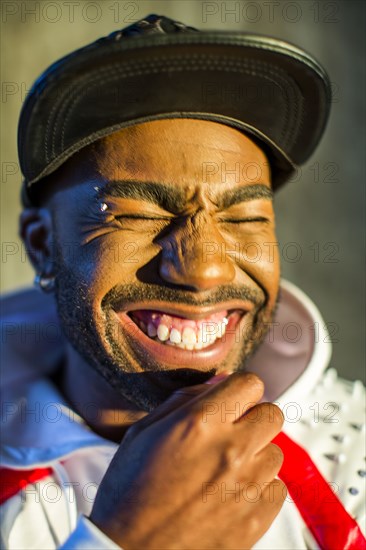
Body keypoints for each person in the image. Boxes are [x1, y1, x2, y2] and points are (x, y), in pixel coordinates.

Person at [1, 13, 365, 550]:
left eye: (244, 218)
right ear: (41, 244)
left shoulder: (352, 465)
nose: (203, 272)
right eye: (136, 215)